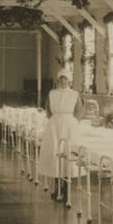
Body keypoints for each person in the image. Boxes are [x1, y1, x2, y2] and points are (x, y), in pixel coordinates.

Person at [37, 69, 83, 205]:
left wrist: (71, 123)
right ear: (58, 80)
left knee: (67, 156)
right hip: (54, 126)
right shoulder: (52, 94)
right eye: (61, 79)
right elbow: (48, 110)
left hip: (69, 126)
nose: (63, 81)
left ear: (69, 80)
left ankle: (66, 189)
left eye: (65, 79)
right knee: (54, 155)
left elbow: (79, 112)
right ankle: (56, 188)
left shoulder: (75, 95)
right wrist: (55, 121)